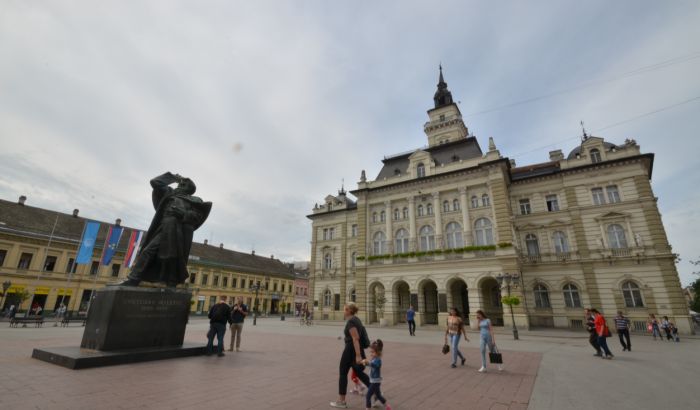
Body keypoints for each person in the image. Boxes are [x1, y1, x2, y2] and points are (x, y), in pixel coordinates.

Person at [116, 172, 212, 287]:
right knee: (148, 251)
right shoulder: (169, 193)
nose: (179, 185)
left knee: (172, 257)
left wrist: (183, 213)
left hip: (178, 229)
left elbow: (197, 216)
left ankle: (171, 281)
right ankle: (133, 278)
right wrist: (173, 177)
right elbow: (155, 182)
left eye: (183, 184)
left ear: (188, 188)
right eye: (180, 183)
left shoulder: (195, 200)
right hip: (164, 226)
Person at [330, 303, 370, 409]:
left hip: (350, 350)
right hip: (356, 349)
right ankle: (375, 390)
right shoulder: (357, 319)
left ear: (348, 310)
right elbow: (355, 336)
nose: (343, 311)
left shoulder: (351, 321)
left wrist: (357, 355)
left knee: (343, 373)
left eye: (344, 309)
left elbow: (355, 338)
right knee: (359, 372)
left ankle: (341, 401)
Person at [362, 339, 392, 410]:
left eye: (373, 352)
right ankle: (387, 406)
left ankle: (368, 408)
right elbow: (371, 365)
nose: (371, 354)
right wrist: (364, 363)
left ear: (378, 352)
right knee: (378, 395)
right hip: (374, 380)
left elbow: (374, 365)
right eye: (371, 352)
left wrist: (368, 363)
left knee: (368, 395)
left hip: (375, 382)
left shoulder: (378, 360)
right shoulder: (374, 359)